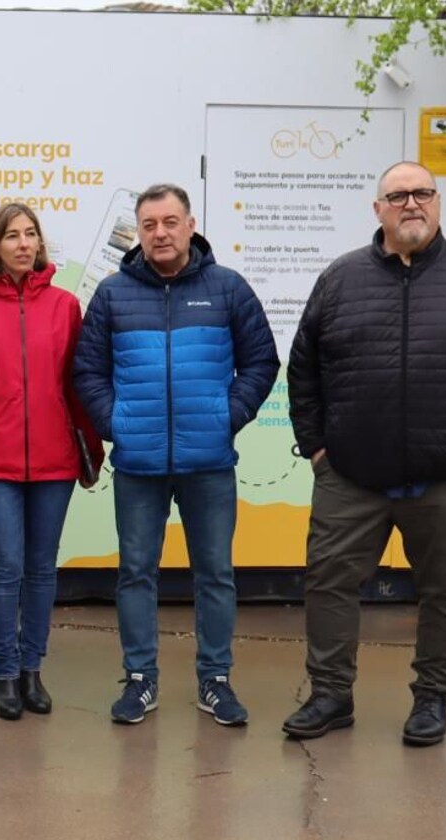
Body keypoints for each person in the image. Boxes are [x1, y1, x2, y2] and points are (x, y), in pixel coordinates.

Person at [282, 161, 446, 747]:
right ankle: (330, 695)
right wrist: (318, 447)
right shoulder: (340, 279)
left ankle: (432, 699)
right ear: (378, 210)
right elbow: (305, 369)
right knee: (328, 585)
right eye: (397, 196)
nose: (411, 204)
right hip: (351, 474)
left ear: (438, 203)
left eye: (422, 193)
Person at [73, 183, 279, 726]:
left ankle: (215, 680)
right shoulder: (114, 294)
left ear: (190, 226)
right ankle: (140, 679)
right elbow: (87, 371)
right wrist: (116, 423)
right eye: (149, 225)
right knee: (136, 573)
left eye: (170, 222)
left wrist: (225, 416)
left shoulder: (227, 288)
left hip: (208, 463)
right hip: (139, 465)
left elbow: (261, 362)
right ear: (138, 232)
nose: (160, 233)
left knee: (215, 574)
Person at [0, 203, 104, 721]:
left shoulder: (64, 307)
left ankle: (33, 668)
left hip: (56, 460)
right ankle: (4, 673)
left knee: (41, 570)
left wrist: (91, 450)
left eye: (30, 234)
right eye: (11, 236)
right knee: (6, 567)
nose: (22, 243)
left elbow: (78, 388)